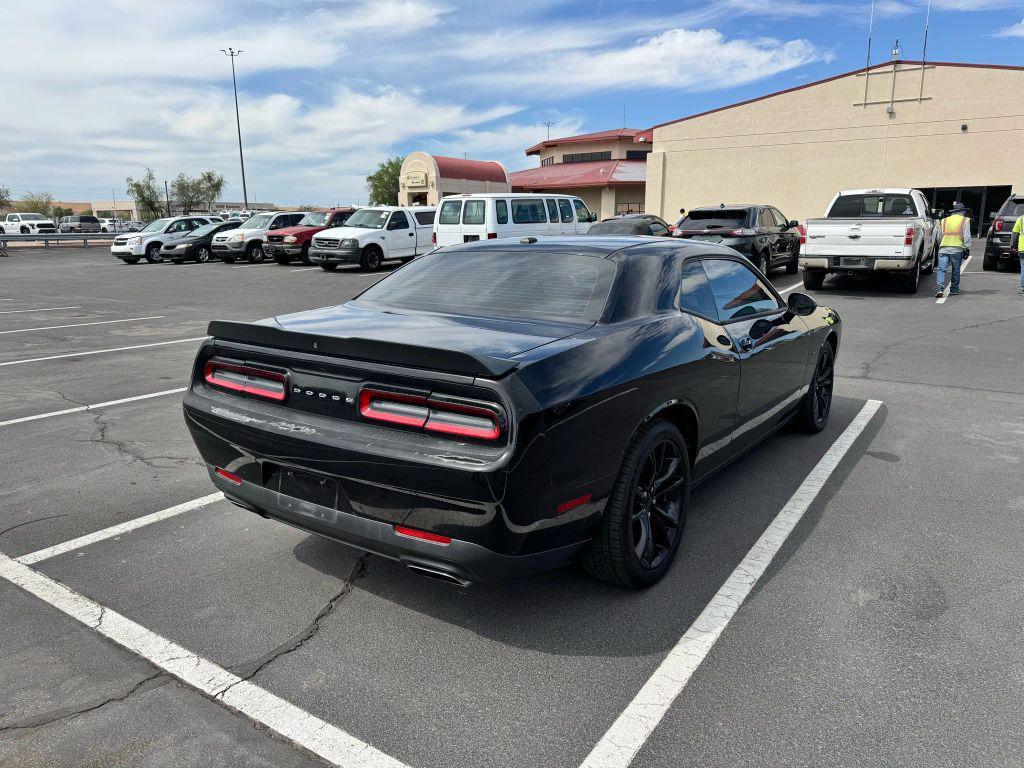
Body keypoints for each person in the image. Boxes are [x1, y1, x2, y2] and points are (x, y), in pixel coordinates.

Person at [935, 201, 971, 298]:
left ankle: (939, 289)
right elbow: (966, 236)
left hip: (944, 248)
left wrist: (941, 245)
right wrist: (967, 248)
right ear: (962, 211)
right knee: (955, 270)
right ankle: (954, 289)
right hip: (957, 249)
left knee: (941, 269)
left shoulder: (944, 220)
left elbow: (939, 237)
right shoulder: (965, 220)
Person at [1012, 211, 1024, 296]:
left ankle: (1023, 289)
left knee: (1023, 267)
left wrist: (1013, 246)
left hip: (1022, 248)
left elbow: (1015, 234)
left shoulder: (1020, 219)